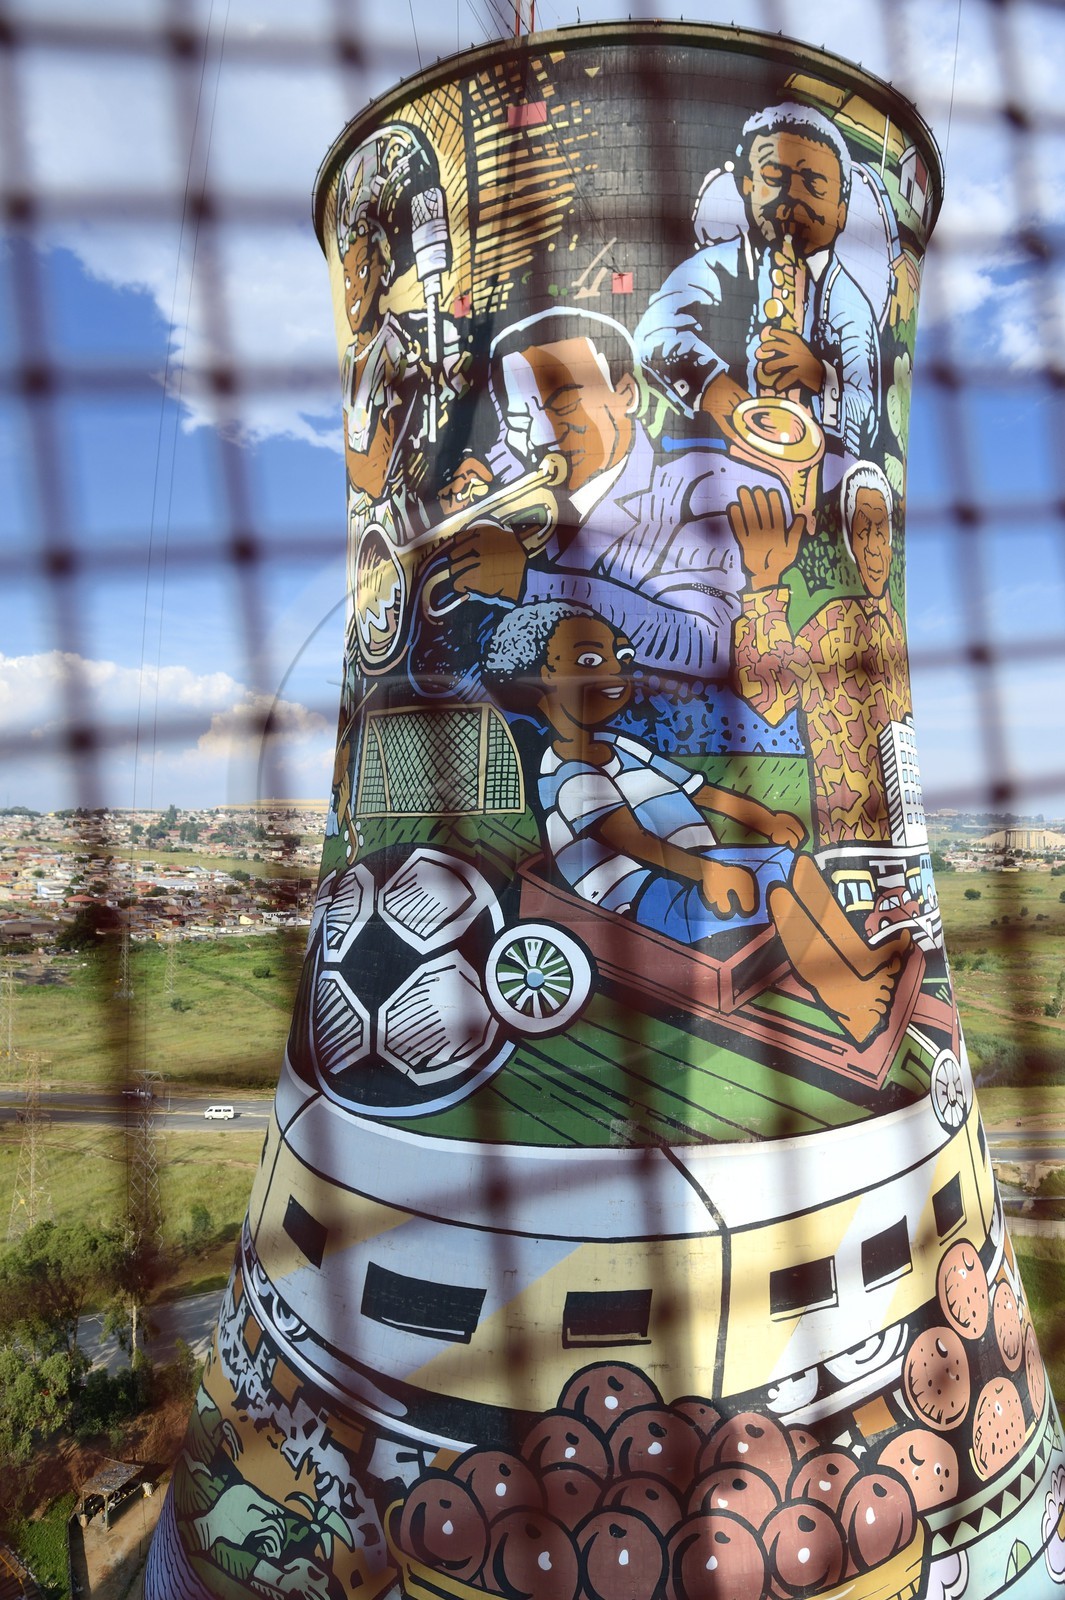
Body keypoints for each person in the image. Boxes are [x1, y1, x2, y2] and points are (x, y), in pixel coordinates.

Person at [483, 600, 910, 1045]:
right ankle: (850, 1006)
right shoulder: (569, 774)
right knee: (777, 895)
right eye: (590, 659)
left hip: (696, 864)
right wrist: (704, 871)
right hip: (646, 897)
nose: (616, 672)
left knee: (795, 864)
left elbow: (699, 790)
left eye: (622, 658)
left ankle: (862, 964)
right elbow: (632, 841)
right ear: (537, 679)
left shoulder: (621, 745)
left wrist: (766, 819)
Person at [444, 308, 786, 691]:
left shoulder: (700, 485)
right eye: (522, 421)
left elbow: (703, 641)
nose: (540, 439)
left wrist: (527, 582)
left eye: (563, 405)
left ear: (626, 392)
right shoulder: (524, 502)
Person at [635, 102, 880, 463]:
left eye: (813, 183)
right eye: (774, 177)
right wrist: (719, 391)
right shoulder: (716, 264)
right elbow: (655, 331)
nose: (792, 196)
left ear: (842, 210)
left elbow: (867, 412)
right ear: (747, 186)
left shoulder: (849, 303)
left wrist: (817, 374)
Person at [730, 462, 910, 846]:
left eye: (883, 533)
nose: (876, 550)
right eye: (864, 532)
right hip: (849, 845)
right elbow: (770, 698)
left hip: (903, 841)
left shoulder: (896, 629)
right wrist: (764, 583)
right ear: (849, 542)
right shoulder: (832, 623)